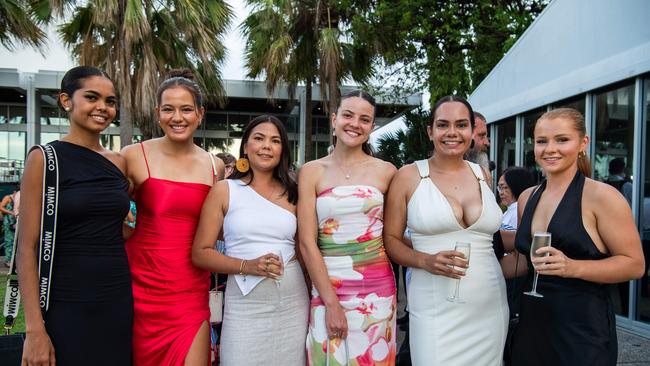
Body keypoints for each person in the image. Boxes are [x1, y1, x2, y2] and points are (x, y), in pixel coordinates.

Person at [511, 108, 645, 366]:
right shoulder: (527, 197)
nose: (550, 149)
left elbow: (634, 264)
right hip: (532, 325)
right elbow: (521, 260)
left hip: (581, 331)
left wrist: (572, 267)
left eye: (562, 140)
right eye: (542, 141)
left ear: (583, 143)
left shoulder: (603, 197)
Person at [18, 66, 132, 365]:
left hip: (116, 296)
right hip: (64, 299)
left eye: (110, 101)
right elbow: (27, 247)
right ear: (67, 100)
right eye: (92, 97)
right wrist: (34, 330)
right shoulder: (44, 158)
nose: (103, 108)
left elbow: (113, 226)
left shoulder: (119, 162)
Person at [384, 95, 508, 365]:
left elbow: (491, 236)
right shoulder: (408, 176)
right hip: (433, 305)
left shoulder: (482, 175)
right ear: (430, 132)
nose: (452, 133)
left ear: (471, 132)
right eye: (443, 125)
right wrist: (424, 260)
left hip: (488, 303)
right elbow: (390, 240)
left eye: (461, 125)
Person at [122, 69, 224, 366]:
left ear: (200, 114)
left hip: (190, 292)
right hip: (141, 288)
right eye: (168, 109)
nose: (177, 117)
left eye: (186, 109)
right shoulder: (132, 155)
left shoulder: (214, 165)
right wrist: (130, 234)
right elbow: (103, 211)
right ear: (157, 113)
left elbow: (217, 229)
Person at [192, 115, 308, 365]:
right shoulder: (225, 190)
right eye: (259, 138)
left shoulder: (295, 191)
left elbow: (304, 247)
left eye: (275, 141)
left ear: (282, 149)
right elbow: (201, 252)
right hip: (244, 307)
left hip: (292, 304)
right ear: (245, 146)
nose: (267, 145)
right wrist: (248, 265)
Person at [298, 90, 398, 365]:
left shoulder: (388, 171)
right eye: (348, 115)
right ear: (334, 119)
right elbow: (307, 242)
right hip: (327, 286)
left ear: (371, 128)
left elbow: (396, 234)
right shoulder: (311, 171)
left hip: (376, 290)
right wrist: (330, 303)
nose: (355, 123)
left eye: (364, 119)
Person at [0, 188, 19, 264]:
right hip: (8, 222)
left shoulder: (18, 199)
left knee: (15, 240)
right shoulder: (8, 198)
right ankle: (8, 260)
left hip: (15, 222)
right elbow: (1, 207)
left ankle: (13, 260)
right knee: (9, 240)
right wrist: (11, 212)